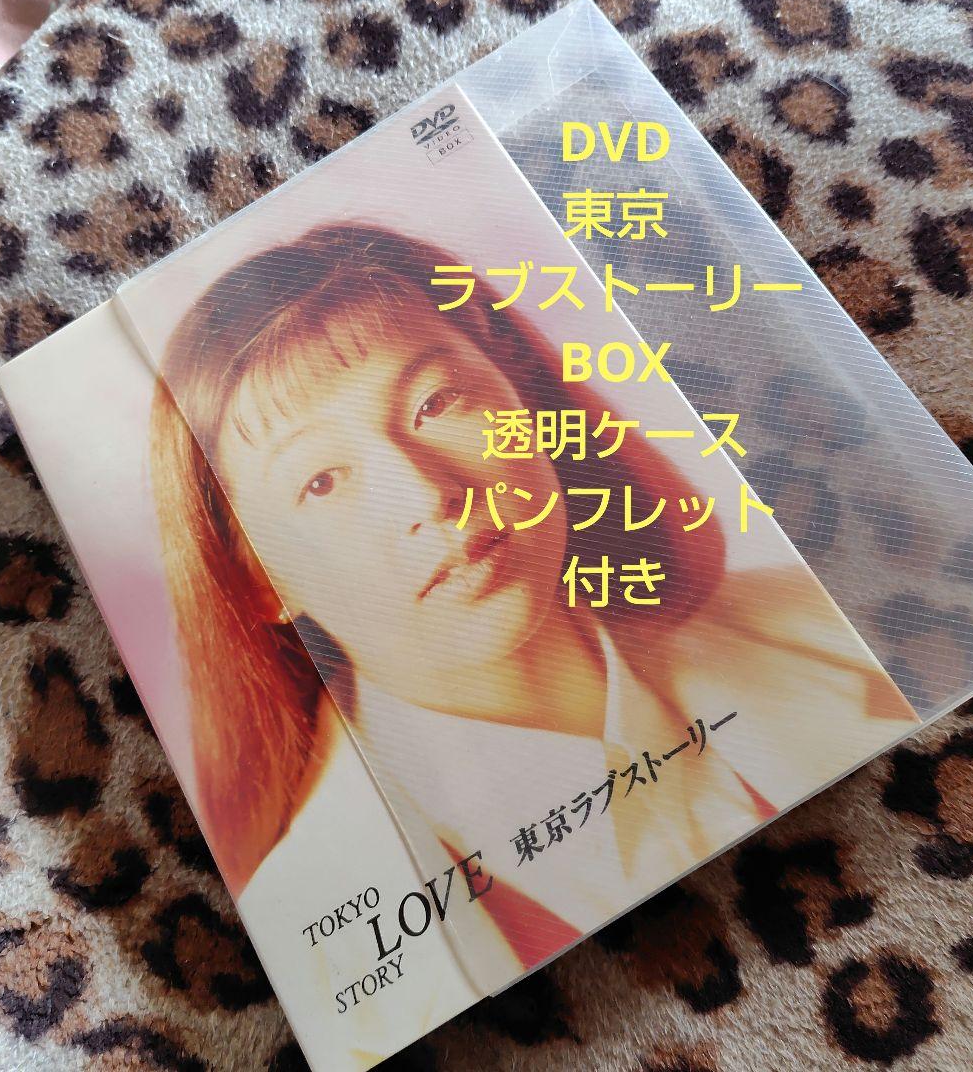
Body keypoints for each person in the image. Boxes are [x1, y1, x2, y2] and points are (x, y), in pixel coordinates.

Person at [149, 222, 918, 985]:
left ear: (520, 387)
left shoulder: (826, 621)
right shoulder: (311, 947)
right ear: (260, 583)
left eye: (436, 402)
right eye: (320, 481)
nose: (427, 495)